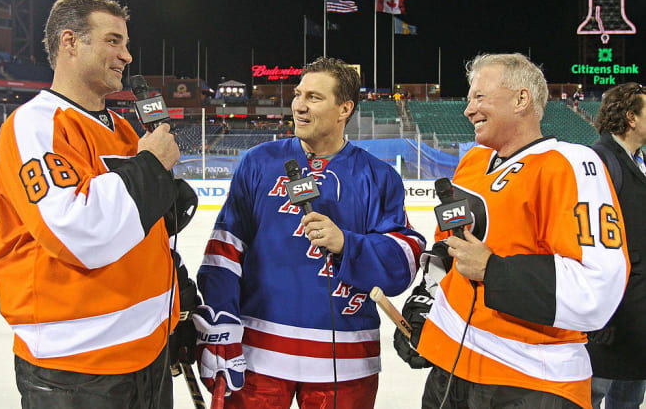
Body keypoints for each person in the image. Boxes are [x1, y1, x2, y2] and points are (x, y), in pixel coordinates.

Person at [0, 0, 197, 408]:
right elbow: (77, 231)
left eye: (126, 43)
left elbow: (141, 233)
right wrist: (151, 169)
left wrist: (174, 307)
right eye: (113, 40)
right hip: (77, 370)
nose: (127, 56)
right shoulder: (35, 124)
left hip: (148, 352)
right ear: (70, 42)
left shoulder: (124, 129)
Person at [395, 53, 630, 408]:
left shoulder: (571, 163)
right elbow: (451, 250)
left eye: (479, 97)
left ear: (522, 99)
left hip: (530, 380)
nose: (468, 110)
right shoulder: (472, 162)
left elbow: (599, 287)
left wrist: (494, 270)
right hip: (452, 368)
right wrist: (426, 304)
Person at [193, 56, 426, 408]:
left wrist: (348, 244)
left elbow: (405, 260)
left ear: (344, 108)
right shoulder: (258, 161)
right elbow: (223, 249)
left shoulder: (378, 176)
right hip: (257, 354)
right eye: (299, 94)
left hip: (346, 361)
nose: (299, 106)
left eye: (314, 98)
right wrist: (221, 318)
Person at [588, 82, 646, 409]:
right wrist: (601, 315)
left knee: (629, 397)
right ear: (631, 118)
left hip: (636, 311)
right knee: (591, 394)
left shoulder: (639, 160)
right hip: (609, 311)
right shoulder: (601, 160)